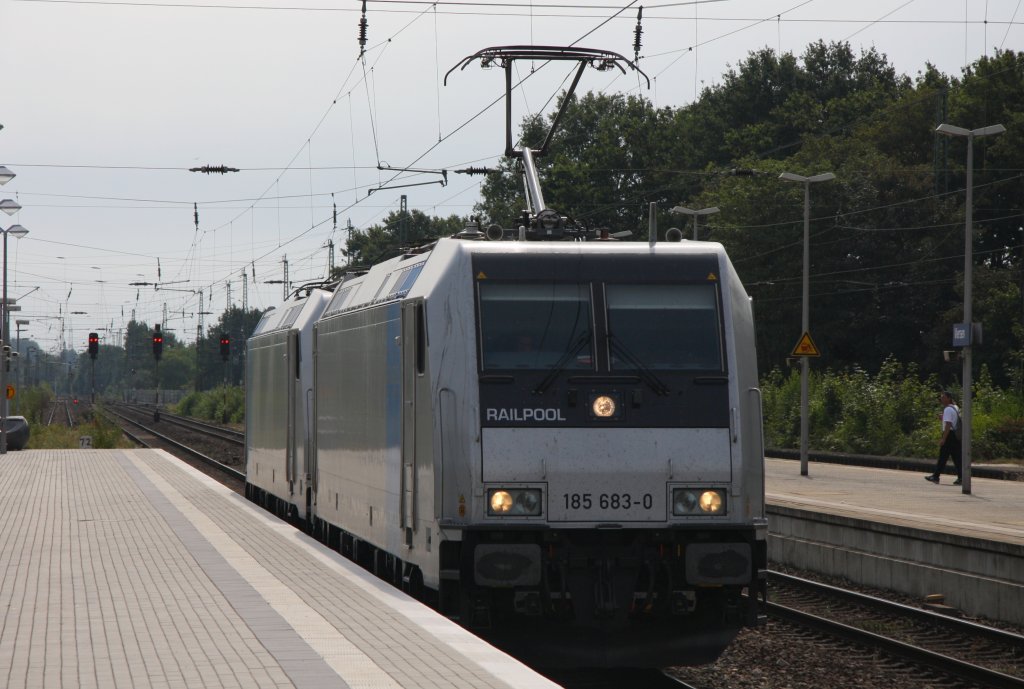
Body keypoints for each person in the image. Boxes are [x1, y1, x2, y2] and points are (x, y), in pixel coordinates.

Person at [926, 391, 962, 485]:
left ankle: (936, 476)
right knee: (957, 457)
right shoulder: (955, 407)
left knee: (943, 456)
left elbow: (948, 425)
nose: (941, 399)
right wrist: (943, 418)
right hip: (955, 435)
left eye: (943, 397)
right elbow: (953, 420)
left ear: (948, 398)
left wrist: (943, 438)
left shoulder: (947, 409)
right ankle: (961, 477)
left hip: (949, 435)